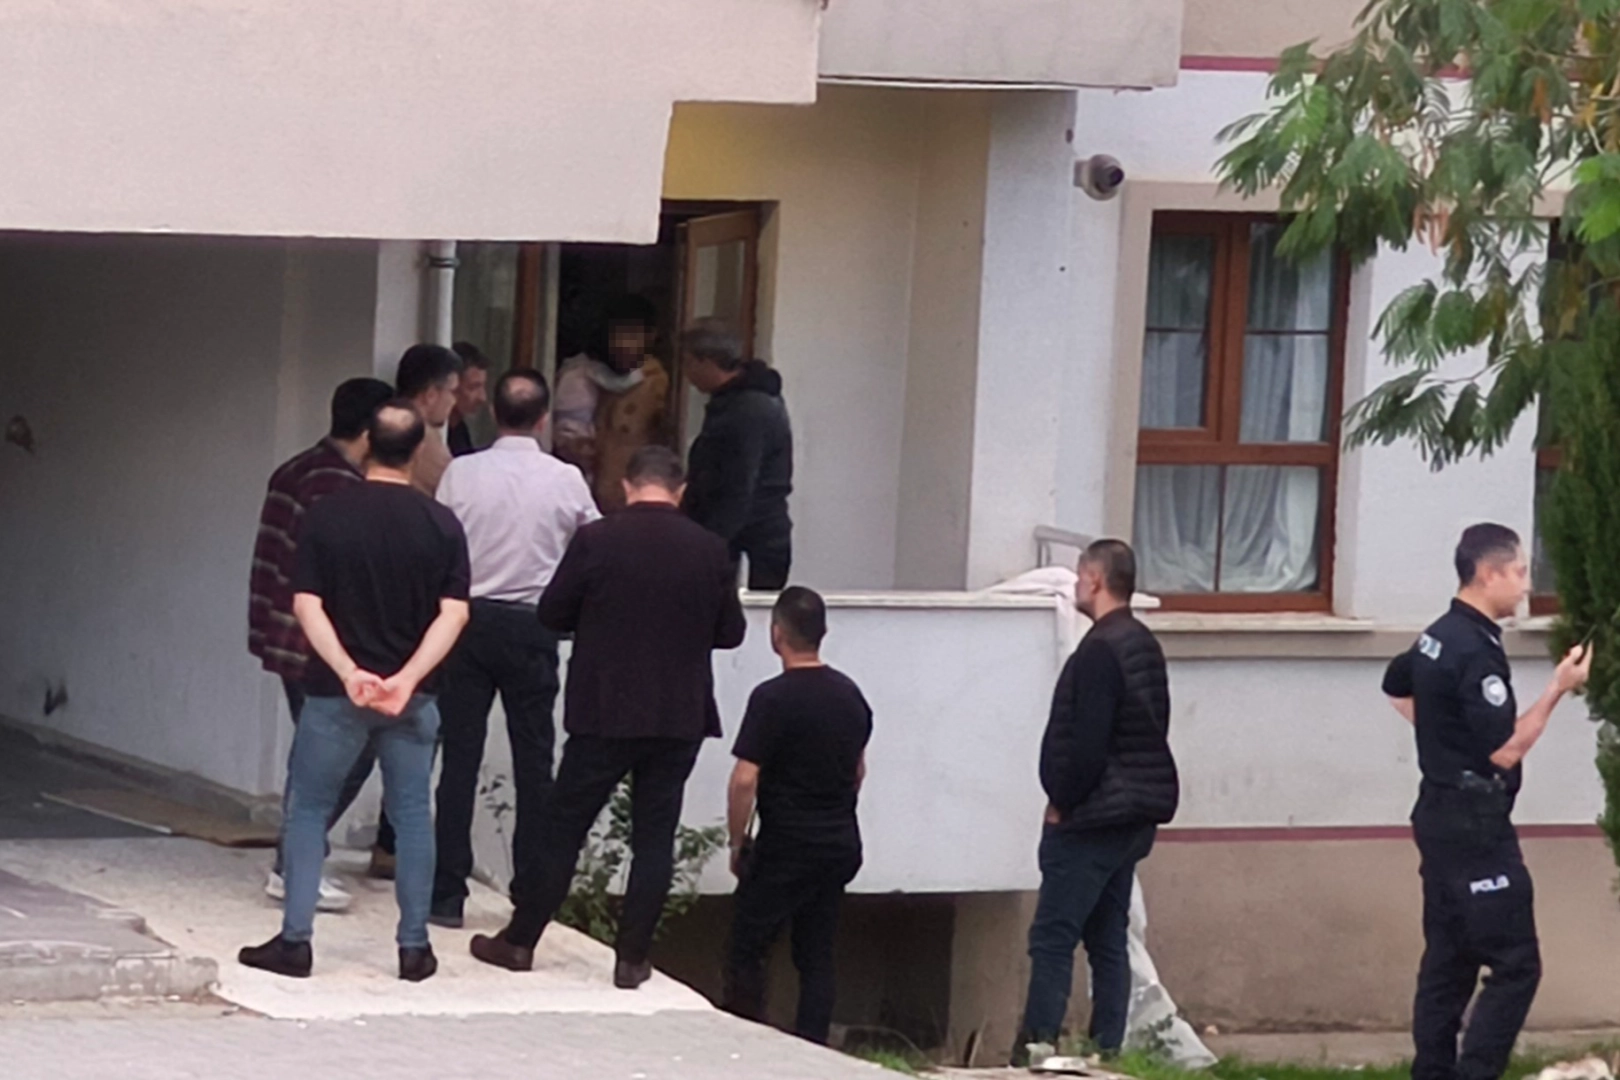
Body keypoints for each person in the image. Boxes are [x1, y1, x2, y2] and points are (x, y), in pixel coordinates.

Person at [469, 445, 746, 987]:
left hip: (604, 708)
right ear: (680, 490)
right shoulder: (711, 549)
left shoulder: (597, 540)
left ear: (626, 485)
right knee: (655, 836)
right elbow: (730, 632)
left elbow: (553, 612)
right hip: (678, 714)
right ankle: (632, 959)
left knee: (564, 828)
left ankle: (521, 940)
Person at [238, 401, 470, 982]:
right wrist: (406, 678)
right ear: (418, 450)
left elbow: (306, 604)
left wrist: (348, 672)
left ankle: (295, 942)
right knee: (412, 815)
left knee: (309, 809)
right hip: (412, 698)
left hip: (335, 693)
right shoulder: (442, 524)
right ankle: (413, 947)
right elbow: (454, 614)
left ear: (366, 442)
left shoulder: (329, 515)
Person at [1382, 524, 1592, 1080]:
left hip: (1438, 813)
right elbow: (1504, 750)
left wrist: (1444, 738)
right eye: (1519, 572)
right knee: (1516, 964)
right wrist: (1558, 687)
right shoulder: (1475, 650)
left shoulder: (1437, 634)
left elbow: (1396, 687)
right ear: (1489, 574)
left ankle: (1433, 1072)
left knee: (1449, 960)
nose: (1525, 586)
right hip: (1475, 827)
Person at [430, 370, 600, 928]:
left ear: (493, 413)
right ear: (544, 419)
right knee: (535, 760)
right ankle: (531, 892)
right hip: (534, 625)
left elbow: (442, 541)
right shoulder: (566, 479)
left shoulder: (461, 472)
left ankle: (446, 892)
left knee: (459, 757)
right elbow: (594, 544)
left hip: (467, 621)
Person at [1013, 539, 1179, 1064]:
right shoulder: (1142, 643)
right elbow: (1150, 727)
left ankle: (1037, 1048)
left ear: (1096, 579)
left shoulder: (1099, 650)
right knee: (1108, 937)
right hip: (1134, 812)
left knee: (1053, 936)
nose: (1075, 584)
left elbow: (1087, 741)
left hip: (1091, 817)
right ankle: (1108, 1050)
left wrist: (1062, 800)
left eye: (1080, 574)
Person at [248, 376, 394, 915]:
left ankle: (295, 861)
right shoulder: (338, 487)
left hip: (287, 632)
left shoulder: (297, 469)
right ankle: (294, 866)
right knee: (343, 752)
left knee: (318, 751)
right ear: (369, 431)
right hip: (321, 642)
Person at [721, 586, 872, 1045]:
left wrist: (738, 841)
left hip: (786, 844)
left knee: (747, 947)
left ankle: (744, 1044)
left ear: (777, 634)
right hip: (838, 842)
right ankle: (813, 1048)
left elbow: (745, 779)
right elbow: (858, 771)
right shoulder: (850, 695)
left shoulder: (772, 699)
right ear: (821, 633)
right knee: (816, 954)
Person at [680, 318, 793, 591]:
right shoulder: (741, 401)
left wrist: (711, 542)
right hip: (757, 531)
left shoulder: (746, 409)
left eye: (689, 363)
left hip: (752, 533)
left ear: (707, 361)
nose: (686, 373)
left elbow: (738, 483)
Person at [552, 295, 670, 510]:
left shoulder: (658, 384)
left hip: (639, 501)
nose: (623, 344)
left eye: (632, 336)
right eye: (617, 335)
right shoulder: (579, 377)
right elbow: (566, 442)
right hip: (587, 498)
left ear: (650, 337)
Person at [395, 343, 463, 497]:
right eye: (452, 392)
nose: (454, 401)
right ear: (431, 395)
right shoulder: (422, 437)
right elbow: (456, 490)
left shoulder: (383, 426)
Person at [447, 342, 492, 457]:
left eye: (483, 387)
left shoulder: (460, 431)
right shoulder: (430, 436)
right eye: (473, 387)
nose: (482, 397)